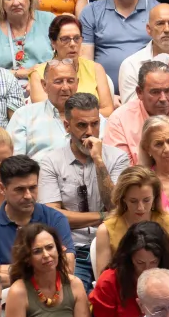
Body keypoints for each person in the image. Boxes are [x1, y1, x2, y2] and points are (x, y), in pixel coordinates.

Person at [38, 91, 128, 283]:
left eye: (94, 124)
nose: (89, 132)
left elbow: (115, 205)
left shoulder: (118, 158)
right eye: (81, 125)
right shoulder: (50, 162)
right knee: (75, 293)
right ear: (67, 126)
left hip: (114, 245)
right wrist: (103, 216)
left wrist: (98, 161)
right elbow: (52, 216)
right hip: (72, 248)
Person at [0, 155, 75, 280]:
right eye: (19, 189)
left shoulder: (55, 218)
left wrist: (7, 269)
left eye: (32, 188)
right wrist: (45, 266)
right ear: (2, 189)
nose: (28, 196)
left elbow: (67, 269)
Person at [79, 0, 156, 90]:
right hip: (104, 93)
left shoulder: (156, 11)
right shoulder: (91, 12)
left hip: (150, 93)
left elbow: (167, 55)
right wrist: (104, 95)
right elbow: (85, 61)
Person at [91, 164, 169, 275]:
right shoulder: (106, 231)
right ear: (123, 198)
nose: (140, 208)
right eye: (133, 201)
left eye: (146, 200)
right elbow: (103, 278)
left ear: (155, 197)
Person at [30, 14, 120, 115]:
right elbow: (44, 113)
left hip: (91, 124)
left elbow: (107, 110)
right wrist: (80, 117)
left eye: (77, 38)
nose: (72, 44)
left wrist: (80, 119)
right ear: (53, 43)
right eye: (65, 39)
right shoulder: (38, 74)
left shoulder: (96, 69)